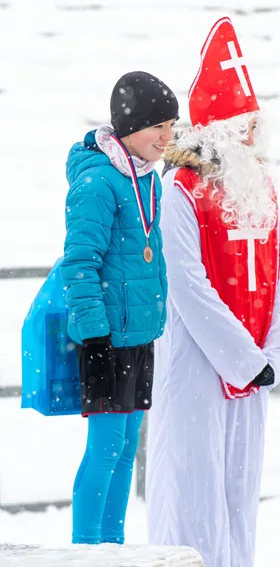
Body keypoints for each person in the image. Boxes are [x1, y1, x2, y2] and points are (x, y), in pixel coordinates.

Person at [146, 17, 280, 567]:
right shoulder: (180, 191)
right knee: (193, 487)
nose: (257, 136)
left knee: (237, 492)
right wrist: (240, 358)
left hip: (252, 368)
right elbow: (187, 284)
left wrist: (270, 356)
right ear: (224, 132)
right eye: (248, 125)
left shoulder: (264, 192)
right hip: (198, 365)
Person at [59, 71, 179, 545]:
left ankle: (113, 547)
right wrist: (94, 338)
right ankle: (87, 548)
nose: (168, 138)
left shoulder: (146, 179)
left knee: (128, 448)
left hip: (138, 335)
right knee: (106, 448)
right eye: (159, 127)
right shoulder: (97, 183)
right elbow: (80, 265)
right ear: (130, 126)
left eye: (173, 126)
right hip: (106, 338)